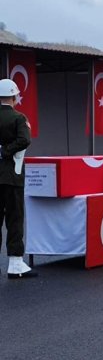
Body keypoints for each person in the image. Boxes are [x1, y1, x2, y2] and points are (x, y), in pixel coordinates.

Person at [0, 79, 36, 279]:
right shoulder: (19, 118)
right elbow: (25, 140)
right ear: (14, 97)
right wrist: (6, 151)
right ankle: (15, 263)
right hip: (13, 176)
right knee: (14, 218)